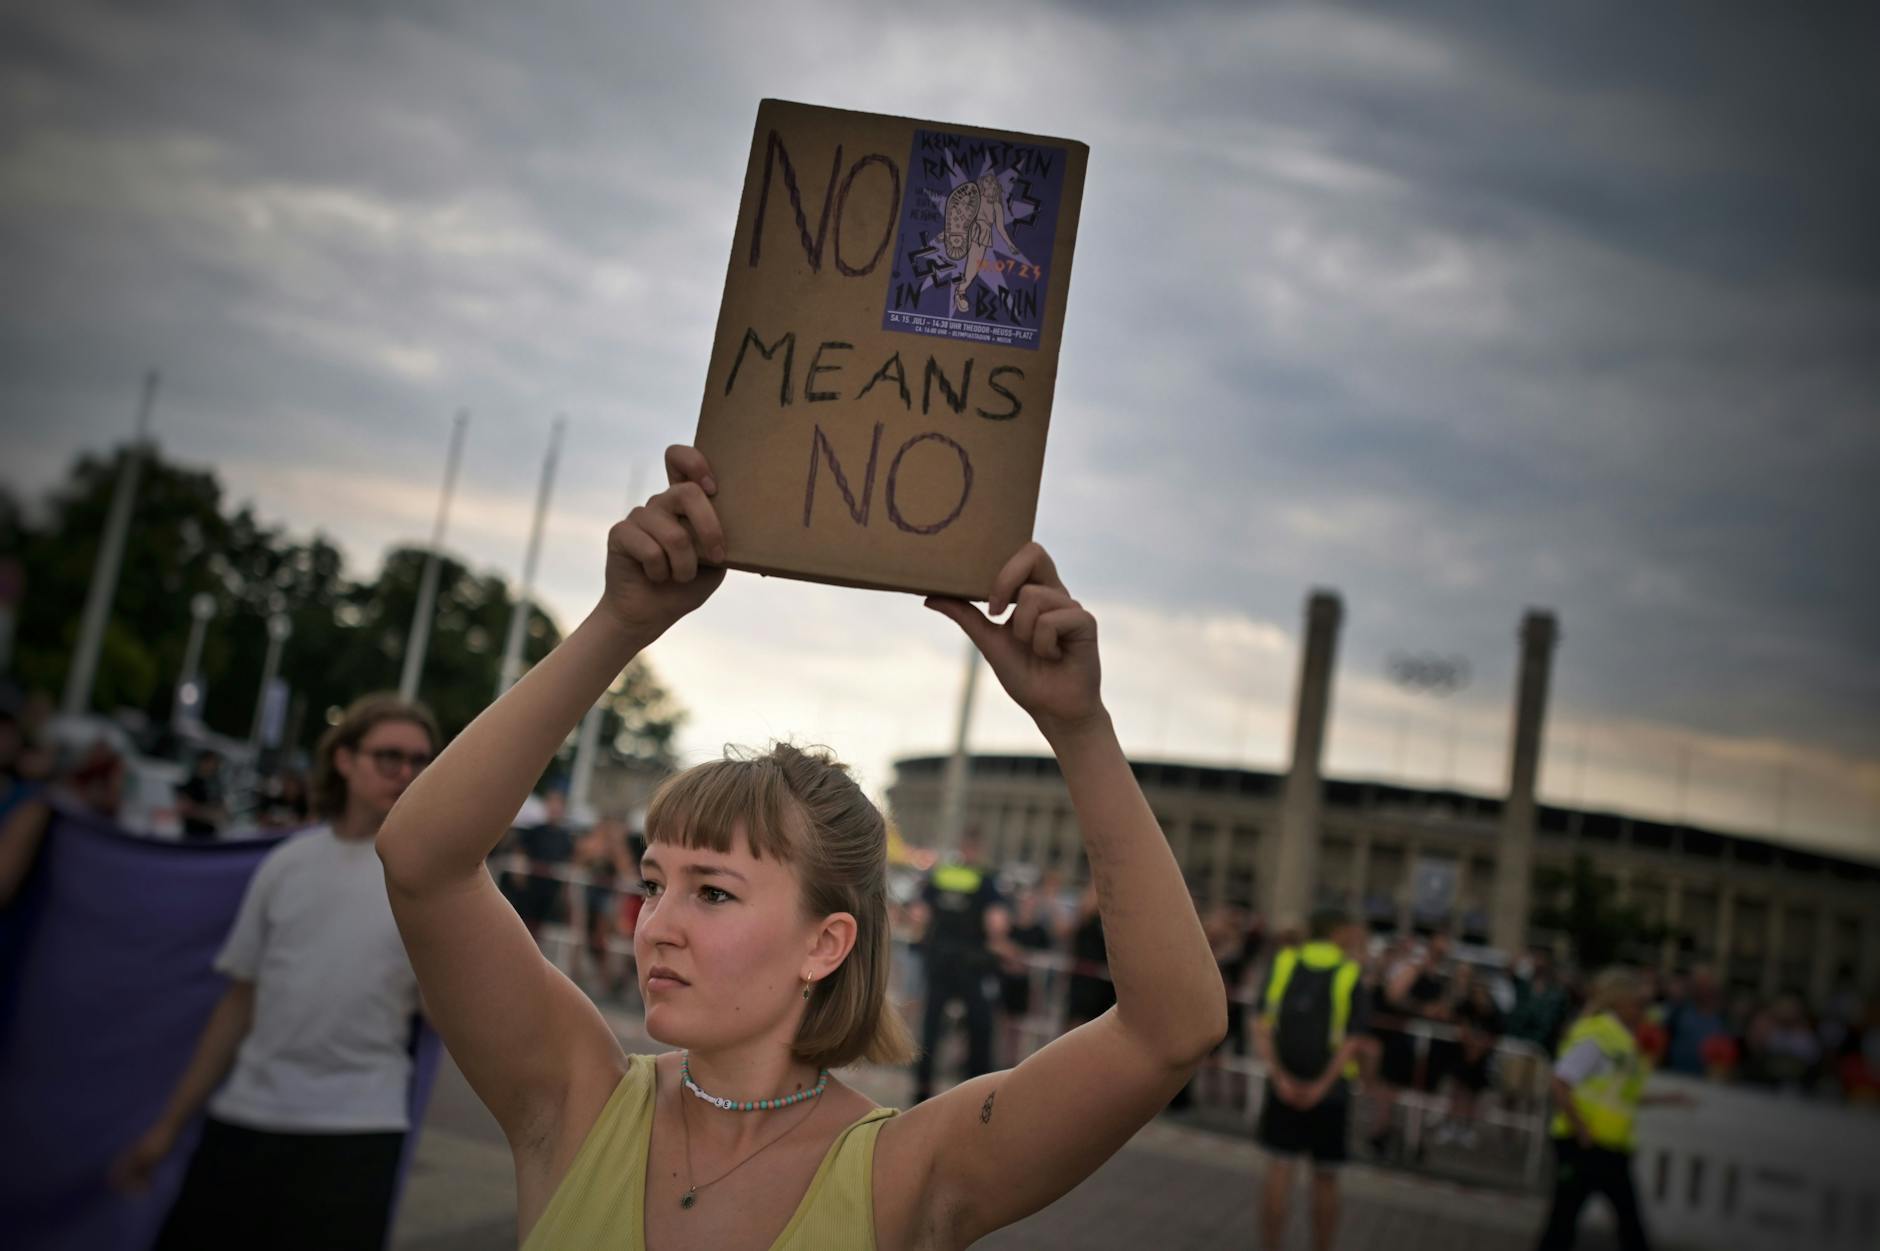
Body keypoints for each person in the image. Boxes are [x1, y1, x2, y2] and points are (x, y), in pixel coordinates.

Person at [374, 445, 1228, 1250]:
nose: (654, 923)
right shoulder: (574, 1099)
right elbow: (422, 861)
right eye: (653, 881)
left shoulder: (905, 1172)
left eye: (711, 891)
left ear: (826, 942)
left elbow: (1171, 1028)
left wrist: (1079, 727)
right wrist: (620, 621)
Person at [112, 694, 438, 1251]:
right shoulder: (286, 864)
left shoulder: (434, 880)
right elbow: (239, 1002)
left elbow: (455, 1015)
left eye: (420, 761)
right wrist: (168, 1127)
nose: (405, 773)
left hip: (358, 1130)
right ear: (344, 759)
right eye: (389, 756)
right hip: (245, 1116)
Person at [1537, 967, 1694, 1251]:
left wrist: (1668, 1099)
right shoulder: (1599, 1036)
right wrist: (1582, 1130)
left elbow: (1621, 1096)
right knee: (1570, 1223)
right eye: (1637, 1004)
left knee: (1615, 1223)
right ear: (1618, 1001)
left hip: (1607, 1146)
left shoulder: (1621, 1040)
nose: (1642, 1012)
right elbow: (1560, 1083)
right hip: (1584, 1144)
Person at [1255, 908, 1374, 1251]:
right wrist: (1322, 1086)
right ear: (1339, 931)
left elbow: (1262, 1025)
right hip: (1331, 1092)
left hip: (1284, 1084)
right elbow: (1352, 1040)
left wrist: (1279, 1078)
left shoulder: (1285, 961)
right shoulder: (1350, 972)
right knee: (1325, 1177)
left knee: (1279, 1167)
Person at [909, 826, 1009, 1103]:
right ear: (978, 848)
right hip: (972, 964)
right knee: (980, 1026)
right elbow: (997, 923)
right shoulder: (986, 880)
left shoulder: (941, 874)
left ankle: (922, 1091)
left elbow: (918, 914)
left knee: (931, 1027)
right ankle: (978, 1094)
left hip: (939, 960)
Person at [175, 749, 228, 838]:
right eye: (212, 762)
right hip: (192, 836)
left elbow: (223, 812)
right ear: (203, 762)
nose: (215, 766)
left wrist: (201, 811)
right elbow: (185, 809)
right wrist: (209, 814)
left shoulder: (216, 785)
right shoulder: (191, 783)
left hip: (211, 836)